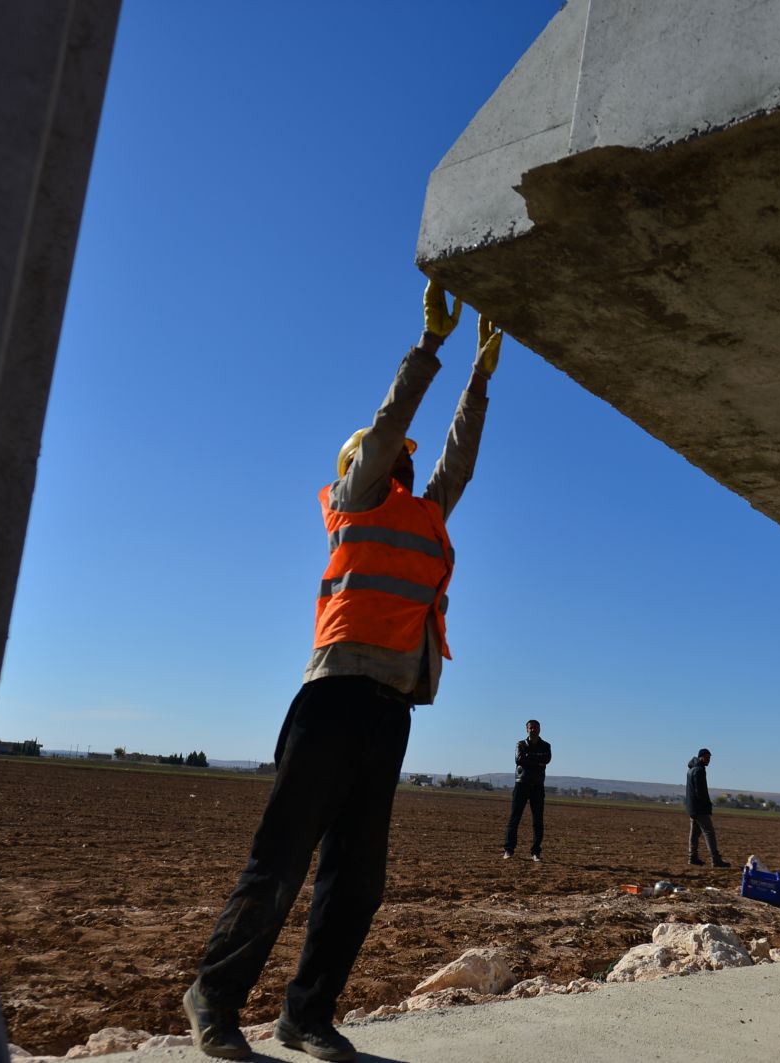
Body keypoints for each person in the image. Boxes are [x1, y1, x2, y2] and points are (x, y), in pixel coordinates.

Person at [182, 282, 503, 1061]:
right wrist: (430, 349)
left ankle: (306, 1014)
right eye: (392, 448)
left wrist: (479, 379)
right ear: (364, 460)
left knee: (355, 883)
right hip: (329, 702)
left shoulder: (426, 514)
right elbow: (392, 420)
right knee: (281, 863)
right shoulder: (354, 499)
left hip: (388, 713)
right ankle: (214, 997)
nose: (407, 453)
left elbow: (457, 458)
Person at [502, 719, 552, 861]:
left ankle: (536, 852)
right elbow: (519, 759)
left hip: (537, 786)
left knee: (538, 821)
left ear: (539, 729)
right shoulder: (520, 744)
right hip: (521, 784)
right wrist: (537, 759)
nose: (533, 730)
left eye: (535, 727)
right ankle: (509, 850)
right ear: (527, 730)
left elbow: (547, 759)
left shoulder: (546, 746)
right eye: (530, 727)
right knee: (514, 819)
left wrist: (529, 757)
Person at [685, 748, 730, 867]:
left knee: (694, 833)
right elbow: (701, 792)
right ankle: (716, 860)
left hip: (692, 808)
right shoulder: (699, 770)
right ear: (701, 757)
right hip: (700, 808)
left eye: (709, 758)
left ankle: (692, 858)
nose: (709, 760)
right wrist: (707, 805)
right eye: (707, 757)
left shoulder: (691, 770)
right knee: (709, 832)